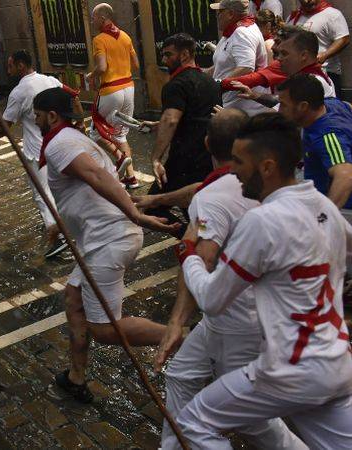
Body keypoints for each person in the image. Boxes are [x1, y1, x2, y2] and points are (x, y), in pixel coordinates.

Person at [176, 112, 352, 449]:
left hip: (291, 370)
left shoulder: (262, 220)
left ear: (267, 167)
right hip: (336, 364)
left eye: (240, 162)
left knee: (194, 421)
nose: (234, 170)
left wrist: (189, 258)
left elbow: (212, 300)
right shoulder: (324, 207)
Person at [151, 108, 306, 450]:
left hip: (238, 319)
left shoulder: (218, 196)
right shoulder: (275, 188)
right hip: (238, 314)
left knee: (248, 419)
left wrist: (187, 259)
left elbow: (202, 264)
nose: (235, 174)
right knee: (180, 375)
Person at [34, 87, 180, 403]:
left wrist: (136, 215)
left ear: (52, 116)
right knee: (74, 299)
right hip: (101, 238)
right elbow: (82, 192)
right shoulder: (73, 139)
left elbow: (99, 178)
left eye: (37, 114)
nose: (34, 120)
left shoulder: (60, 143)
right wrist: (62, 227)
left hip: (110, 239)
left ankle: (182, 336)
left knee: (104, 329)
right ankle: (76, 377)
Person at [0, 49, 80, 258]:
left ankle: (61, 240)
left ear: (20, 66)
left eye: (10, 65)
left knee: (42, 194)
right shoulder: (49, 80)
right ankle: (71, 227)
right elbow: (73, 94)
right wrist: (80, 120)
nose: (8, 69)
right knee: (65, 188)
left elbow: (5, 125)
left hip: (38, 152)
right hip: (62, 144)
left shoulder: (18, 92)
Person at [145, 33, 221, 229]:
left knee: (153, 206)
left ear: (185, 54)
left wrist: (155, 158)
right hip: (207, 158)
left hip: (183, 161)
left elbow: (171, 119)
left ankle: (191, 240)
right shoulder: (210, 82)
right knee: (196, 208)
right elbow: (196, 115)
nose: (164, 60)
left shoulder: (175, 85)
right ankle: (202, 240)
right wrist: (159, 124)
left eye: (168, 55)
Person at [277, 74, 352, 217]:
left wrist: (322, 220)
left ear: (303, 106)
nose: (280, 110)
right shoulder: (332, 104)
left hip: (344, 211)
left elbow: (346, 176)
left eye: (284, 105)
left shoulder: (326, 136)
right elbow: (348, 106)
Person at [87, 3, 140, 189]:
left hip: (111, 91)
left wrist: (91, 76)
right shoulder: (125, 36)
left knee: (95, 132)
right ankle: (131, 178)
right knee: (121, 134)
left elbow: (101, 68)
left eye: (93, 18)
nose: (92, 22)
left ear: (103, 18)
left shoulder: (99, 39)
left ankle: (120, 158)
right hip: (129, 88)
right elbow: (136, 65)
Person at [225, 26, 336, 107]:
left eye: (284, 54)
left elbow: (283, 113)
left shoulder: (311, 83)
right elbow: (280, 101)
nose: (278, 58)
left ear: (304, 55)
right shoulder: (312, 76)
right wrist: (254, 95)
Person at [209, 0, 270, 116]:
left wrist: (218, 85)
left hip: (245, 110)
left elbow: (246, 67)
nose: (217, 16)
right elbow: (223, 64)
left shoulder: (242, 33)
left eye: (220, 11)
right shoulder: (232, 32)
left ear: (231, 14)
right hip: (233, 106)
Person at [287, 0, 349, 94]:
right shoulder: (294, 17)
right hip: (298, 75)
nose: (306, 1)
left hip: (325, 73)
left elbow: (343, 39)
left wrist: (324, 55)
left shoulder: (332, 14)